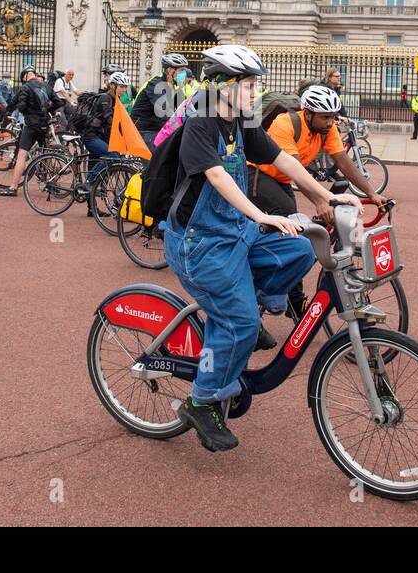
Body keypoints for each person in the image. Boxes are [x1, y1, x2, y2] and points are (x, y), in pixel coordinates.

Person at [163, 46, 360, 452]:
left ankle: (250, 302)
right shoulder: (201, 122)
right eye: (249, 84)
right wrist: (262, 215)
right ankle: (201, 401)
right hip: (200, 246)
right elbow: (218, 177)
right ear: (221, 86)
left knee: (301, 250)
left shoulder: (243, 122)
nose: (257, 91)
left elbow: (283, 161)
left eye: (256, 84)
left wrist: (329, 195)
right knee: (240, 324)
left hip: (234, 235)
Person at [246, 83, 387, 348]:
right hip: (258, 176)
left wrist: (372, 192)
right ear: (307, 112)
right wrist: (321, 201)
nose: (330, 122)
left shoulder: (327, 128)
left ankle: (292, 299)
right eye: (325, 116)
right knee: (294, 228)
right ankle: (269, 295)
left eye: (333, 116)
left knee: (301, 235)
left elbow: (344, 162)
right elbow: (295, 168)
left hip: (283, 180)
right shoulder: (284, 124)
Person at [0, 66, 64, 196]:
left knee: (22, 155)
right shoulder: (46, 86)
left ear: (24, 77)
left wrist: (13, 111)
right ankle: (51, 184)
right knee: (46, 155)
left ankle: (13, 187)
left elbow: (18, 105)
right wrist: (46, 111)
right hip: (44, 124)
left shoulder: (25, 87)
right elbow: (58, 102)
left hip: (31, 126)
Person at [75, 71, 130, 191]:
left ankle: (91, 206)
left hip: (99, 136)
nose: (124, 90)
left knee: (95, 164)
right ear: (113, 86)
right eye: (122, 86)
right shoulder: (105, 99)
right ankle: (89, 182)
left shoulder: (116, 100)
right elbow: (109, 120)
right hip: (90, 136)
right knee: (113, 155)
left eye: (125, 87)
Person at [130, 53, 190, 149]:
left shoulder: (173, 87)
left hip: (156, 128)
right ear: (170, 70)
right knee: (159, 157)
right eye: (181, 70)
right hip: (143, 130)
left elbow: (180, 109)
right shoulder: (156, 85)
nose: (184, 74)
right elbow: (164, 113)